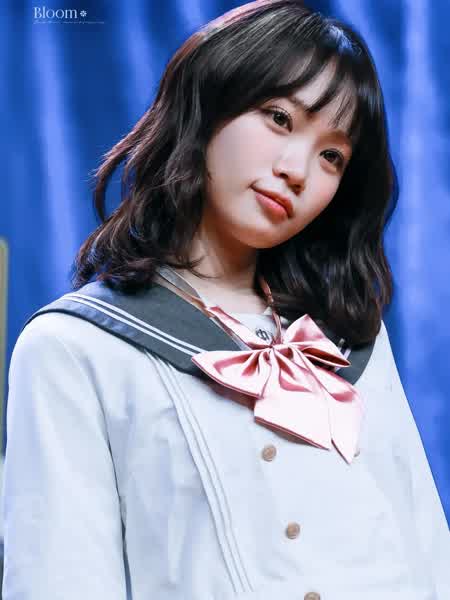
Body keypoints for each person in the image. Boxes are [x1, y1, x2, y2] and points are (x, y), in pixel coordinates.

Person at [2, 1, 449, 598]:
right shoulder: (76, 349)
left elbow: (428, 552)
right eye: (279, 118)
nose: (297, 170)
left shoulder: (347, 339)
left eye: (332, 156)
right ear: (209, 100)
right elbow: (60, 581)